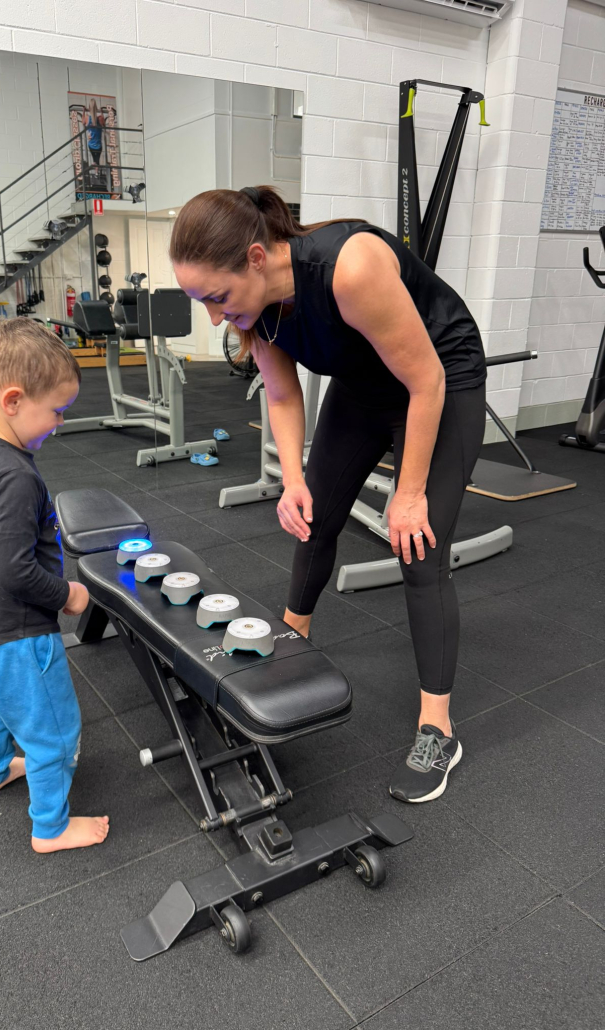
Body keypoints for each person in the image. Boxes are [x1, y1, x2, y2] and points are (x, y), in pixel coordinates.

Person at [170, 185, 489, 805]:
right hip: (363, 385)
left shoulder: (351, 267)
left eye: (217, 297)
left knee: (419, 548)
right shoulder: (257, 308)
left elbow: (425, 381)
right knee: (314, 517)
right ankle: (288, 651)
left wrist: (409, 492)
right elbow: (283, 394)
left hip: (439, 379)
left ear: (256, 259)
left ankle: (438, 729)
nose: (213, 316)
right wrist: (293, 481)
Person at [0, 317, 110, 853]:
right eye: (57, 411)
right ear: (14, 400)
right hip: (14, 632)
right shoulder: (16, 475)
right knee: (53, 730)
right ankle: (51, 827)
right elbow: (14, 571)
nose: (59, 424)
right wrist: (69, 595)